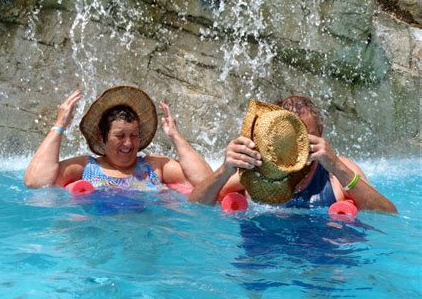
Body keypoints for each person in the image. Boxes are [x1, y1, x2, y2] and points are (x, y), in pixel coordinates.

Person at [188, 95, 397, 213]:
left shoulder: (335, 172)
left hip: (319, 254)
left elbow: (388, 213)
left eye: (306, 139)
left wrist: (337, 167)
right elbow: (195, 206)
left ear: (321, 135)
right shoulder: (255, 169)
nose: (299, 149)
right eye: (290, 142)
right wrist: (225, 170)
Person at [24, 86, 213, 190]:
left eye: (134, 135)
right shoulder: (87, 167)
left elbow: (206, 182)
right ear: (102, 136)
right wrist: (60, 125)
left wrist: (175, 136)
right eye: (120, 136)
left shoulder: (154, 167)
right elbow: (36, 182)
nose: (129, 143)